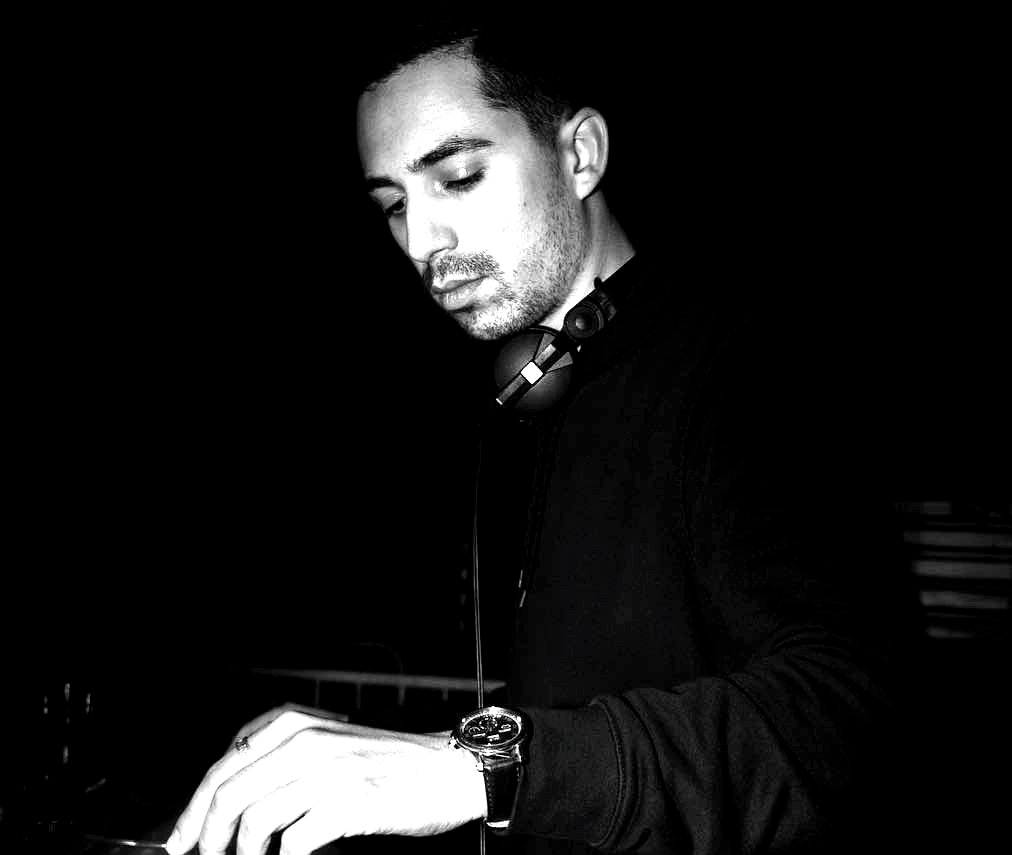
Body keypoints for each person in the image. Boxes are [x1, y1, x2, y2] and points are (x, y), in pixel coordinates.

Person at [165, 11, 920, 855]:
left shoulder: (748, 371)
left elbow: (851, 719)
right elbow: (589, 725)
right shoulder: (546, 387)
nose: (421, 242)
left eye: (457, 177)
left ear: (581, 155)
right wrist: (368, 751)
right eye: (393, 205)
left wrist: (483, 768)